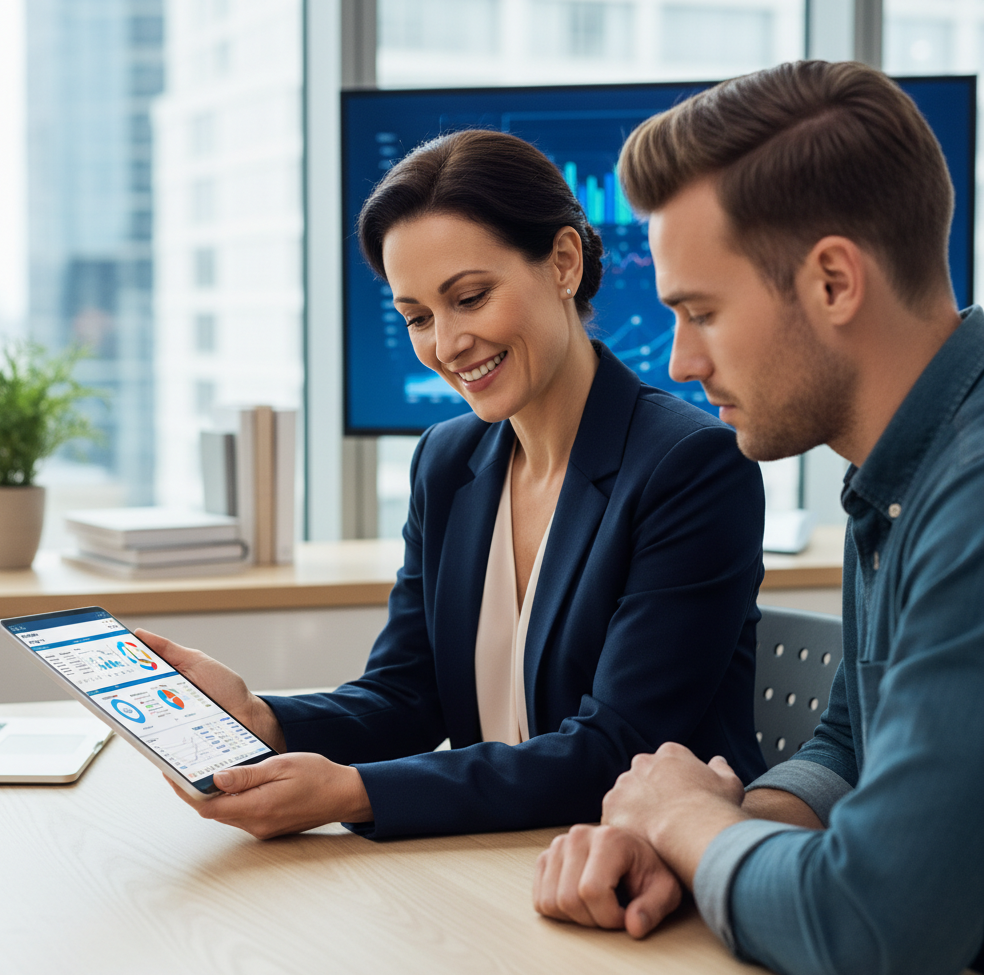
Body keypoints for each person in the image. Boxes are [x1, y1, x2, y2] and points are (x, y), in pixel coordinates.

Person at [139, 128, 766, 842]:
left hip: (647, 867)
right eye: (417, 318)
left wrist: (353, 792)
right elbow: (408, 695)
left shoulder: (691, 465)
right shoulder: (449, 460)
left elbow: (617, 751)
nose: (446, 344)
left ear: (563, 262)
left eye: (469, 297)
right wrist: (262, 718)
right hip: (494, 860)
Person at [532, 61, 984, 975]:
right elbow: (849, 742)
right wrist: (691, 840)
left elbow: (875, 932)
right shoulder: (902, 466)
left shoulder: (973, 492)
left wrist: (689, 818)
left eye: (700, 312)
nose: (680, 363)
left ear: (831, 280)